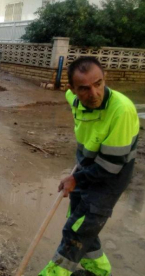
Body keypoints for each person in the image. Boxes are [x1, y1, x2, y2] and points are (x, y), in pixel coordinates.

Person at [39, 56, 139, 276]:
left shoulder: (121, 110)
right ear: (73, 89)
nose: (93, 94)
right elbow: (68, 95)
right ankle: (100, 269)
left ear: (105, 79)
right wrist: (80, 174)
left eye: (98, 84)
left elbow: (111, 165)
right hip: (86, 168)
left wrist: (75, 179)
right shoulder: (74, 99)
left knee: (75, 230)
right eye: (84, 88)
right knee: (83, 223)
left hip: (110, 177)